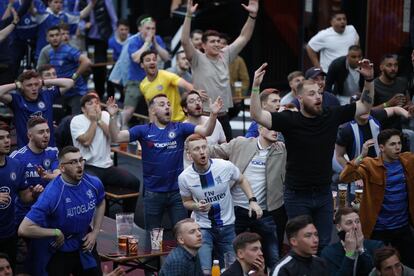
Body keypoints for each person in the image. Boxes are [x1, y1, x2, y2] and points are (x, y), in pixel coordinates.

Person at [250, 59, 375, 252]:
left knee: (323, 244)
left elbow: (365, 106)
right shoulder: (289, 120)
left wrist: (369, 79)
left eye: (319, 93)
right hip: (297, 195)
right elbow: (258, 115)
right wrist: (256, 87)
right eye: (311, 94)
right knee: (302, 245)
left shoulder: (331, 115)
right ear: (299, 98)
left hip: (324, 194)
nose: (318, 97)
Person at [107, 94, 222, 230]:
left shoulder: (180, 128)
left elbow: (206, 131)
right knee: (152, 234)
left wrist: (213, 114)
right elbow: (117, 137)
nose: (167, 107)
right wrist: (112, 116)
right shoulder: (143, 131)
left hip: (177, 193)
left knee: (184, 232)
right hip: (153, 193)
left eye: (168, 104)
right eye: (162, 105)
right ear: (153, 110)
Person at [178, 133, 263, 274]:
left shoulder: (224, 166)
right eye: (196, 149)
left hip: (228, 226)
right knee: (205, 271)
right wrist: (196, 206)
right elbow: (186, 202)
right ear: (189, 155)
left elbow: (241, 179)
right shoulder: (184, 178)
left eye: (204, 147)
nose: (202, 152)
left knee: (230, 269)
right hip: (203, 228)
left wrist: (252, 201)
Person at [18, 146, 106, 275]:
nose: (79, 165)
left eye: (81, 160)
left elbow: (101, 201)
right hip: (59, 248)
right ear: (62, 168)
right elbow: (24, 229)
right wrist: (55, 232)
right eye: (73, 162)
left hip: (84, 243)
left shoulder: (93, 183)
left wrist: (95, 232)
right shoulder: (52, 194)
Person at [209, 125, 286, 267]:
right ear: (260, 128)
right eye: (271, 128)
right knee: (229, 257)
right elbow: (213, 151)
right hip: (235, 209)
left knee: (273, 258)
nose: (275, 131)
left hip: (263, 211)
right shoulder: (241, 143)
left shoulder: (281, 149)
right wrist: (191, 141)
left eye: (277, 128)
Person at [181, 0, 259, 141]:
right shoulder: (197, 58)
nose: (217, 44)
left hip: (223, 116)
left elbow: (244, 37)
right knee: (203, 151)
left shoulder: (225, 54)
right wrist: (188, 16)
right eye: (212, 41)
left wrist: (252, 16)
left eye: (218, 41)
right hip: (204, 116)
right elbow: (185, 41)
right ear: (203, 45)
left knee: (226, 154)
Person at [340, 129, 414, 268]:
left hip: (403, 226)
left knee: (408, 266)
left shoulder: (408, 160)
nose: (398, 147)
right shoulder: (370, 165)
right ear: (381, 147)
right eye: (392, 144)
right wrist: (361, 156)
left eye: (399, 143)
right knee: (376, 268)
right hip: (378, 229)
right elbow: (345, 177)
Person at [70, 92, 139, 212]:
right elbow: (86, 141)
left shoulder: (106, 115)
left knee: (134, 182)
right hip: (87, 166)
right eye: (90, 103)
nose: (95, 105)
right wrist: (93, 121)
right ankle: (99, 219)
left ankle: (128, 218)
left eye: (97, 102)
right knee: (97, 186)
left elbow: (114, 137)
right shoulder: (77, 120)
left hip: (107, 166)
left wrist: (101, 121)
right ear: (83, 108)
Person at [0, 121, 43, 271]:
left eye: (7, 137)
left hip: (9, 232)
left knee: (8, 270)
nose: (6, 141)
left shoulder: (16, 165)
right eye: (1, 138)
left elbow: (24, 197)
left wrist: (34, 195)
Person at [0, 69, 74, 147]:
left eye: (36, 84)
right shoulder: (17, 100)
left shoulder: (47, 95)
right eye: (29, 85)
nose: (34, 88)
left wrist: (43, 82)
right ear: (22, 87)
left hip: (49, 149)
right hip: (26, 150)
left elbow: (70, 83)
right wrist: (16, 85)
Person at [10, 116, 60, 226]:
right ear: (30, 136)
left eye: (47, 131)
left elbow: (59, 174)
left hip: (49, 213)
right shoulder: (17, 157)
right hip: (25, 214)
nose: (46, 135)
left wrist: (48, 176)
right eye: (41, 132)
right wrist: (33, 194)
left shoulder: (52, 152)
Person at [122, 15, 170, 128]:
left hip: (154, 81)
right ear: (140, 29)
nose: (151, 31)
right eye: (147, 28)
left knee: (155, 109)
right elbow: (136, 58)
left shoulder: (157, 39)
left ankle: (155, 131)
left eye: (153, 28)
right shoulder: (133, 40)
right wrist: (147, 43)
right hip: (136, 80)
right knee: (129, 110)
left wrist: (156, 44)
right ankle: (121, 129)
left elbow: (166, 57)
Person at [39, 26, 92, 115]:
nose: (55, 38)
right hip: (63, 93)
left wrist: (75, 76)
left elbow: (87, 61)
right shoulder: (51, 52)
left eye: (57, 35)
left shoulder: (68, 50)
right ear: (47, 39)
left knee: (76, 121)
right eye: (51, 36)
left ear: (61, 37)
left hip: (77, 93)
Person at [321, 207, 384, 275]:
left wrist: (361, 249)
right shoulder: (329, 253)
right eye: (349, 223)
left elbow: (372, 272)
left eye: (357, 221)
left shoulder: (377, 246)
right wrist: (350, 254)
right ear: (339, 227)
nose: (355, 226)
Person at [139, 50, 193, 122]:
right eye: (148, 60)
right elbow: (151, 108)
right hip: (162, 125)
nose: (152, 62)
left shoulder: (166, 75)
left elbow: (188, 86)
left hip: (179, 122)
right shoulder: (143, 85)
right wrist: (152, 125)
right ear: (142, 65)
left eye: (154, 60)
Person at [181, 90, 226, 167]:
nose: (197, 103)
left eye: (199, 100)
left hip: (215, 169)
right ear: (185, 108)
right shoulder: (182, 128)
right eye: (192, 101)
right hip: (192, 173)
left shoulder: (215, 122)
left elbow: (224, 144)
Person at [107, 19, 130, 101]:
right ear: (117, 30)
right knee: (109, 77)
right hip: (117, 66)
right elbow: (111, 58)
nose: (124, 32)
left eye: (126, 29)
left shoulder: (132, 39)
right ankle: (110, 100)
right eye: (121, 29)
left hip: (130, 67)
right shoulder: (112, 41)